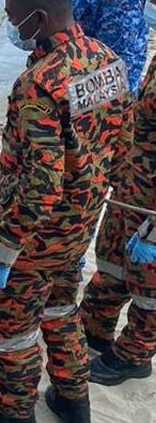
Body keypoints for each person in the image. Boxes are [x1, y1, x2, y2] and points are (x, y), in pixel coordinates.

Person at [0, 0, 132, 423]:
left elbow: (41, 181)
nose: (11, 26)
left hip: (33, 234)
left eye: (14, 17)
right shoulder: (109, 63)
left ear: (38, 16)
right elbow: (122, 146)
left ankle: (14, 418)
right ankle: (75, 405)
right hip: (79, 228)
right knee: (60, 311)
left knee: (11, 328)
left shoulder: (40, 84)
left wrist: (3, 250)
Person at [78, 53, 156, 386]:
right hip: (132, 184)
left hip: (150, 200)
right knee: (111, 262)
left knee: (149, 285)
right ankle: (95, 330)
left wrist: (153, 231)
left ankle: (134, 356)